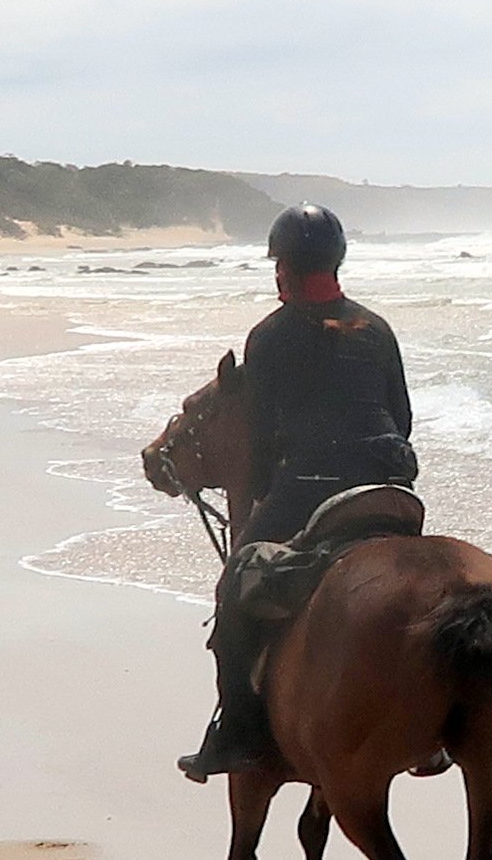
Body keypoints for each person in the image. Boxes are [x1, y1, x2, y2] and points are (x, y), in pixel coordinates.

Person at [177, 204, 417, 779]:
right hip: (391, 485)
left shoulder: (271, 335)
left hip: (311, 487)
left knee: (233, 594)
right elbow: (402, 417)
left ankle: (236, 732)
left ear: (283, 268)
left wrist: (260, 498)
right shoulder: (376, 327)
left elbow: (260, 438)